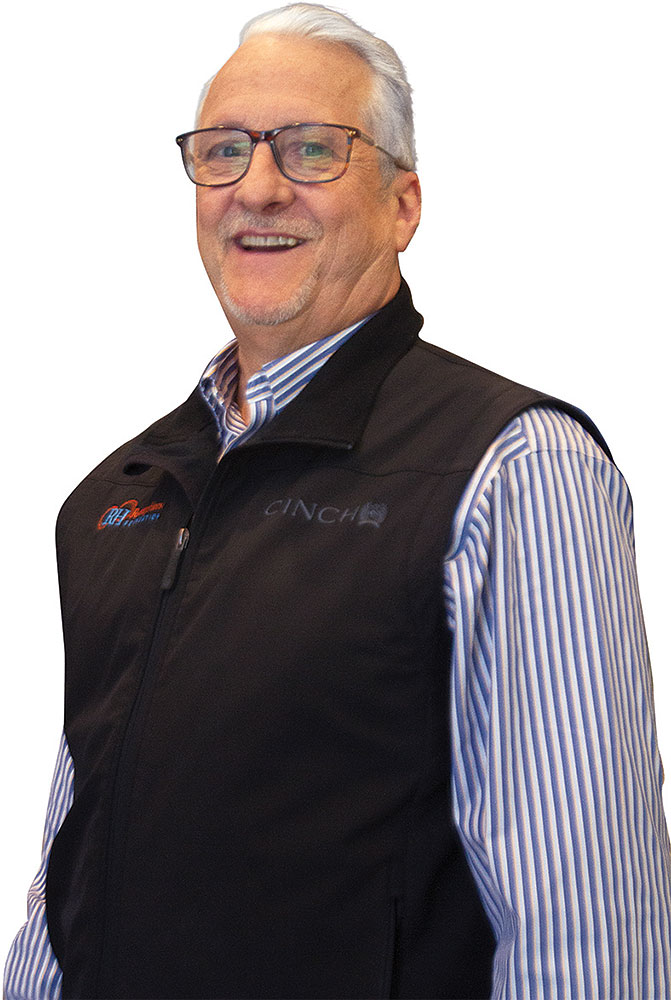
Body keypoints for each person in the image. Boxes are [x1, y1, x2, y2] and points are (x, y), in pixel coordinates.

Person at [4, 3, 671, 998]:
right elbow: (72, 869)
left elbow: (586, 924)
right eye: (223, 151)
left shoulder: (513, 467)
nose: (257, 188)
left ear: (402, 204)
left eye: (312, 149)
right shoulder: (118, 496)